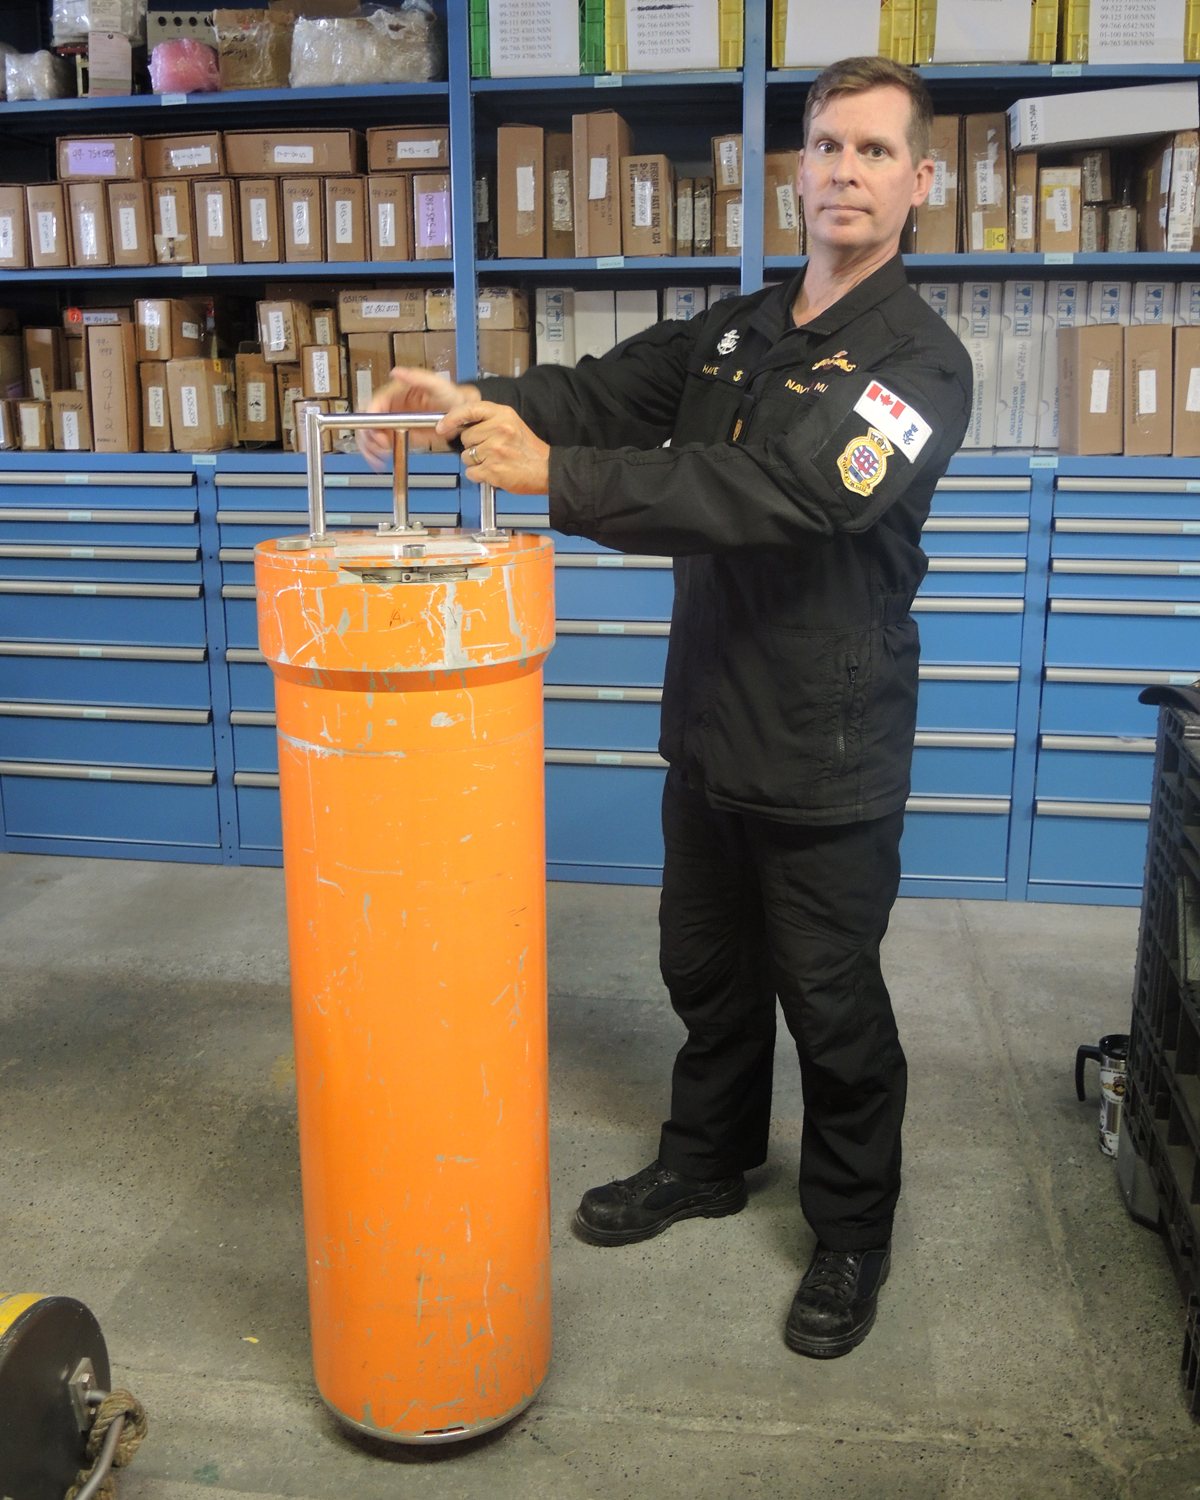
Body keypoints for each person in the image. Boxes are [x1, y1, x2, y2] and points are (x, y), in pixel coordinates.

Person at [361, 56, 972, 1359]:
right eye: (829, 149)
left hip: (828, 748)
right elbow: (601, 391)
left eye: (876, 152)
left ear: (922, 181)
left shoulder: (920, 367)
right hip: (707, 729)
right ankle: (706, 1159)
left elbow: (793, 499)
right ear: (797, 170)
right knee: (707, 972)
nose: (847, 173)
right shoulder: (738, 330)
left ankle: (853, 1228)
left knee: (833, 1002)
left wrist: (560, 481)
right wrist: (472, 405)